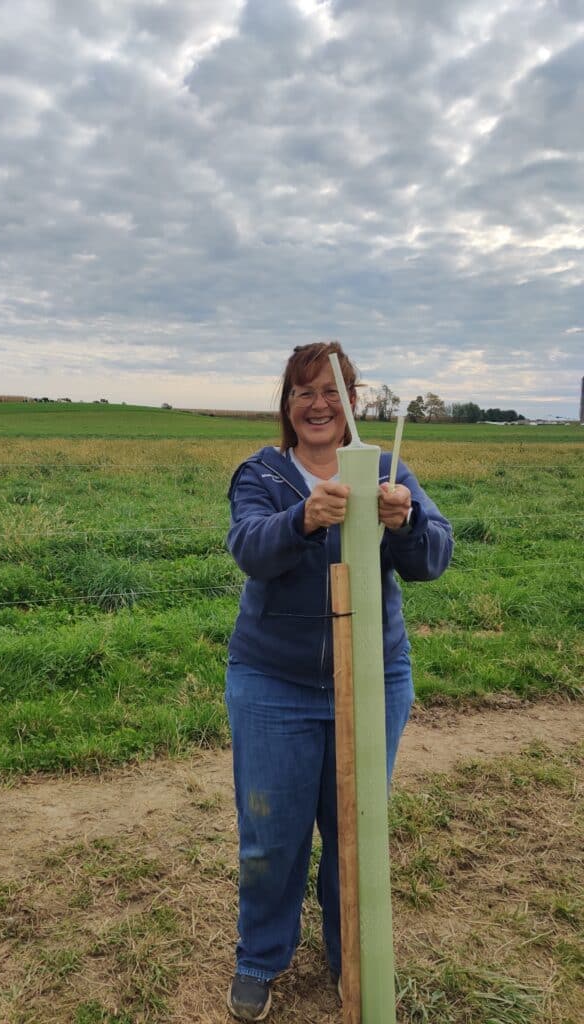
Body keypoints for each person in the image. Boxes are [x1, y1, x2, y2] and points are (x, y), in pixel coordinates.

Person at [224, 341, 453, 1021]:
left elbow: (434, 556)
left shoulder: (384, 469)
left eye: (331, 391)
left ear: (353, 401)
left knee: (355, 830)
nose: (318, 405)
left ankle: (349, 954)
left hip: (374, 677)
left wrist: (404, 520)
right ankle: (260, 959)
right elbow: (249, 549)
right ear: (287, 406)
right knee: (271, 836)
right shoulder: (262, 475)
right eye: (303, 393)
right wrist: (301, 519)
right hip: (273, 683)